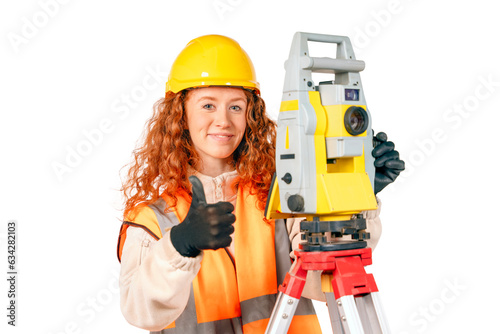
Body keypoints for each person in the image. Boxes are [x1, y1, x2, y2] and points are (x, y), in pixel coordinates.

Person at [116, 34, 404, 334]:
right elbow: (141, 311)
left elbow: (324, 281)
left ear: (250, 114)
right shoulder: (153, 219)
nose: (223, 121)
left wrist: (355, 193)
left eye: (236, 107)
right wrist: (180, 245)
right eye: (208, 105)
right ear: (180, 114)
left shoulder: (278, 197)